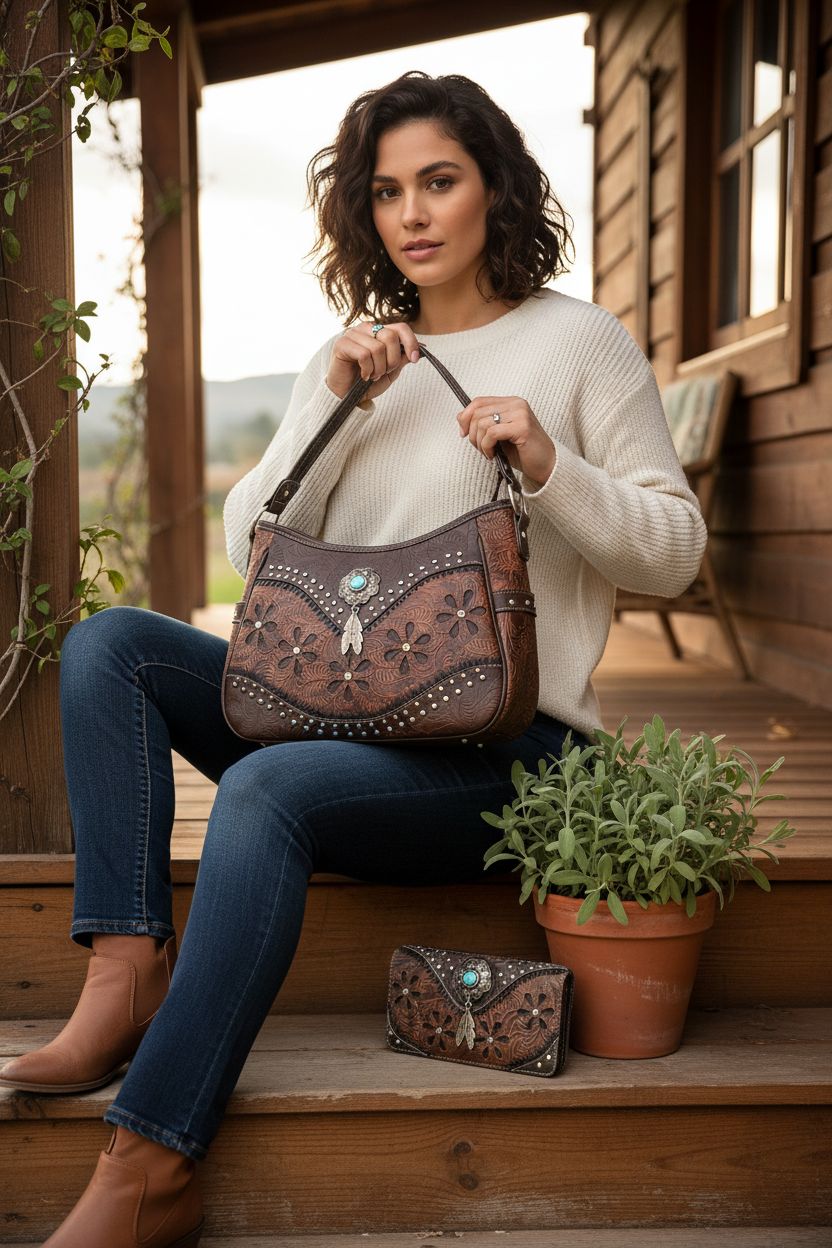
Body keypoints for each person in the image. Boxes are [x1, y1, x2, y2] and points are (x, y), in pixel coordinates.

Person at [0, 70, 707, 1246]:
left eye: (440, 181)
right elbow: (249, 547)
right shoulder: (362, 360)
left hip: (511, 748)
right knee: (108, 644)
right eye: (387, 192)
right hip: (343, 719)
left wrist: (547, 463)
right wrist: (327, 402)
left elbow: (675, 551)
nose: (413, 214)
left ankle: (148, 1163)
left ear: (497, 189)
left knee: (270, 789)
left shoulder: (579, 343)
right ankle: (125, 975)